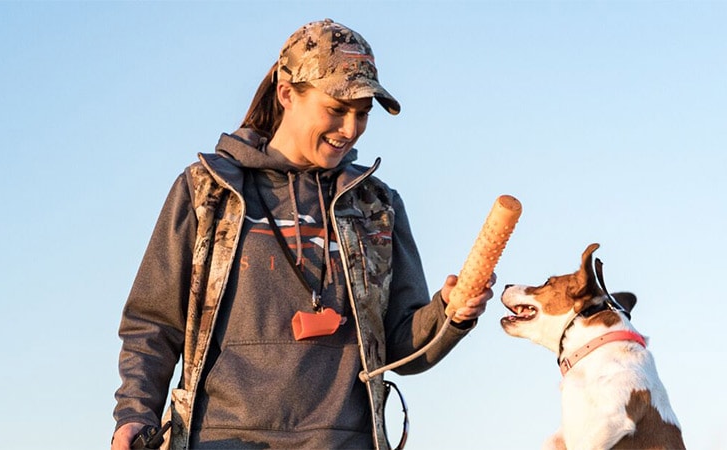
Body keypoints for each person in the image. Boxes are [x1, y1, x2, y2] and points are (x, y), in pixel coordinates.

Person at [111, 19, 493, 450]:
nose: (350, 129)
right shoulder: (208, 191)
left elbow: (401, 346)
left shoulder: (377, 207)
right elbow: (152, 323)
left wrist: (451, 312)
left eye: (362, 113)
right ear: (288, 93)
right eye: (337, 109)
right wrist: (134, 415)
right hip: (222, 439)